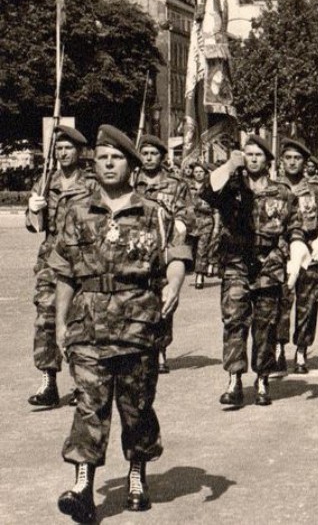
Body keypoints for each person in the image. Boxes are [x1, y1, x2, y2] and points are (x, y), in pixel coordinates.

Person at [49, 125, 188, 522]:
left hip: (138, 324)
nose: (108, 164)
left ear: (131, 166)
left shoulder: (154, 213)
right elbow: (63, 273)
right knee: (89, 406)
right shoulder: (78, 212)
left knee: (137, 407)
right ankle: (82, 486)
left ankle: (136, 472)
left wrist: (174, 284)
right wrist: (60, 324)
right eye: (103, 158)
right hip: (88, 324)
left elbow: (177, 253)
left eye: (117, 159)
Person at [202, 135, 308, 407]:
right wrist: (228, 166)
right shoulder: (232, 188)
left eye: (258, 155)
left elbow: (295, 226)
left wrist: (295, 253)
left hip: (269, 263)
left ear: (269, 161)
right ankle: (234, 379)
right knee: (234, 321)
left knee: (265, 325)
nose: (253, 159)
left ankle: (262, 378)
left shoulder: (283, 193)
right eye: (248, 154)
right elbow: (208, 192)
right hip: (237, 262)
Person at [26, 125, 96, 407]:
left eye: (68, 148)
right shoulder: (45, 181)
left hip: (83, 257)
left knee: (83, 320)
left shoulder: (92, 183)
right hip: (50, 258)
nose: (63, 153)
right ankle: (48, 382)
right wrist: (34, 210)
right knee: (45, 318)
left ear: (79, 152)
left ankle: (83, 384)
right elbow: (35, 227)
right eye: (59, 148)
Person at [276, 139, 318, 374]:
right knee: (278, 304)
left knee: (308, 305)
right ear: (282, 161)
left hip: (310, 255)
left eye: (297, 158)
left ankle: (301, 350)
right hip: (280, 254)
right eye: (288, 158)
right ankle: (278, 348)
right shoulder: (272, 187)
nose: (292, 162)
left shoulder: (317, 190)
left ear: (305, 162)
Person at [135, 134, 194, 373]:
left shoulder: (176, 184)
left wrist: (180, 226)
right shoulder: (132, 181)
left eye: (153, 154)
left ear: (162, 157)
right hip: (136, 249)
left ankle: (160, 349)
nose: (148, 158)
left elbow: (186, 213)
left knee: (163, 299)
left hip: (164, 248)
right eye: (144, 153)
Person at [187, 163, 215, 290]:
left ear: (205, 174)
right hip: (190, 223)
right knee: (190, 249)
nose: (198, 174)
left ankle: (200, 276)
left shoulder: (210, 188)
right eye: (196, 172)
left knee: (202, 250)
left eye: (201, 172)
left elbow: (214, 206)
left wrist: (198, 205)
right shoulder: (187, 187)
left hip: (206, 222)